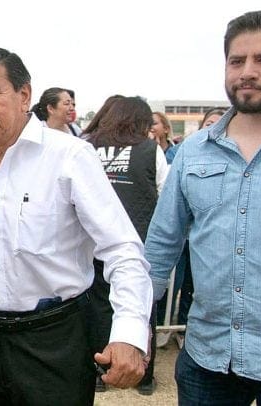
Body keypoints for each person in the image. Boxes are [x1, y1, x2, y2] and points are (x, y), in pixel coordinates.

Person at [0, 46, 152, 405]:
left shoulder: (69, 156)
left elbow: (122, 248)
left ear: (24, 95)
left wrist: (129, 332)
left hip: (55, 339)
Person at [145, 10, 261, 404]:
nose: (247, 72)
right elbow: (161, 246)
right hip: (207, 358)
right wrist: (134, 329)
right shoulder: (194, 151)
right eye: (237, 61)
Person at [85, 96, 169, 396]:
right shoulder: (150, 149)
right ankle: (143, 376)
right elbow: (166, 193)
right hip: (138, 241)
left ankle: (98, 370)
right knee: (140, 304)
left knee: (96, 306)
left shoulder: (87, 147)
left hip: (92, 241)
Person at [156, 105, 228, 351]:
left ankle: (184, 328)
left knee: (192, 286)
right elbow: (166, 224)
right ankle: (164, 326)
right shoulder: (187, 152)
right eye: (209, 123)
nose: (214, 128)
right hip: (184, 239)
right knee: (176, 285)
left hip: (211, 244)